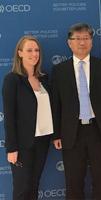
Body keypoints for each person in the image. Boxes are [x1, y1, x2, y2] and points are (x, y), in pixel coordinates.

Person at [51, 23, 101, 199]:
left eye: (86, 38)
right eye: (77, 39)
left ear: (91, 42)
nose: (82, 42)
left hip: (99, 130)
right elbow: (56, 105)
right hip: (71, 133)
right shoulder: (59, 70)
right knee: (73, 182)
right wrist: (56, 134)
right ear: (69, 43)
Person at [2, 35, 53, 200]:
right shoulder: (12, 80)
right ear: (20, 53)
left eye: (36, 50)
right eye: (29, 50)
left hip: (42, 140)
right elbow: (9, 116)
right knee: (22, 188)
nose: (34, 54)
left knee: (34, 185)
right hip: (22, 144)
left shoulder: (44, 79)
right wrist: (11, 148)